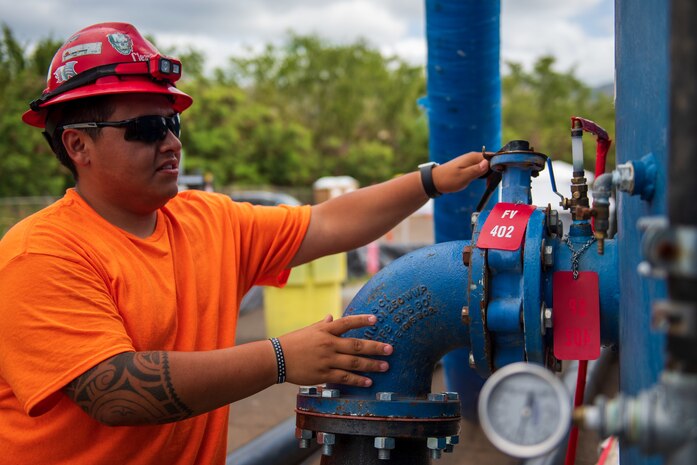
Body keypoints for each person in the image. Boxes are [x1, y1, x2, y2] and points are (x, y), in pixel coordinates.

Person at [0, 22, 489, 465]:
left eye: (172, 124)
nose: (171, 143)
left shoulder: (203, 220)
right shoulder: (43, 253)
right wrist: (280, 358)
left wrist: (430, 181)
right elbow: (114, 392)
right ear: (77, 145)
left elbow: (327, 223)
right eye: (145, 129)